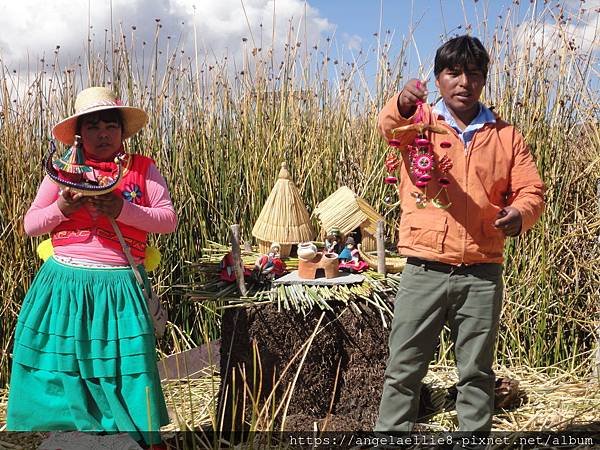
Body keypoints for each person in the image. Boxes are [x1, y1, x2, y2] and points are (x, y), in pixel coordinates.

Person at [375, 35, 544, 440]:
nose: (463, 82)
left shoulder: (507, 137)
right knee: (403, 369)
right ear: (438, 79)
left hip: (482, 273)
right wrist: (401, 100)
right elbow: (387, 126)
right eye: (453, 73)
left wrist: (518, 215)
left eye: (473, 73)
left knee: (476, 373)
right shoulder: (419, 125)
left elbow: (531, 190)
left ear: (483, 79)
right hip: (424, 269)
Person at [6, 86, 177, 449]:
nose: (103, 134)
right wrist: (62, 210)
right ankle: (76, 431)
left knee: (125, 366)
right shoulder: (63, 172)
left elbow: (166, 220)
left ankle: (139, 434)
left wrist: (122, 210)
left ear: (122, 132)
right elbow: (30, 225)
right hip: (64, 285)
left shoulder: (143, 169)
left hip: (119, 287)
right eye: (94, 126)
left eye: (111, 126)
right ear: (80, 132)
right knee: (68, 361)